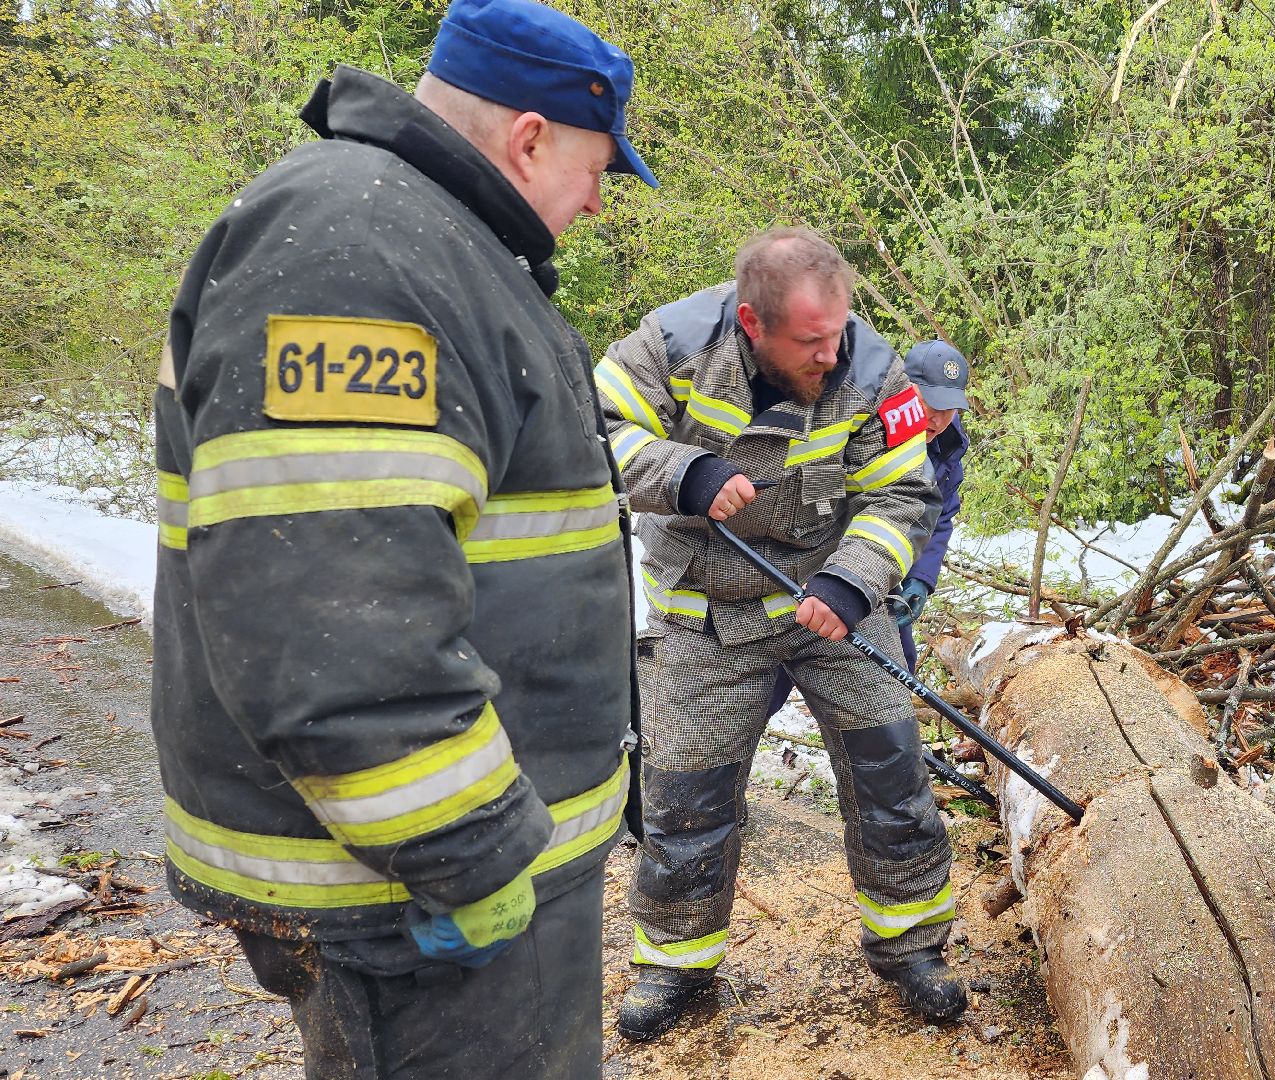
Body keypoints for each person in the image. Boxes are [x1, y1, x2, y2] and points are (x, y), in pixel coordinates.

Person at [150, 1, 651, 1074]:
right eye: (597, 167)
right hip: (411, 894)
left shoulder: (425, 240)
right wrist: (466, 855)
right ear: (528, 137)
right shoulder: (362, 253)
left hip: (442, 865)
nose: (598, 202)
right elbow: (333, 627)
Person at [597, 225, 963, 1042]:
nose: (831, 355)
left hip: (832, 602)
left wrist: (852, 580)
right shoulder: (670, 346)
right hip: (706, 611)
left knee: (891, 773)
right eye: (810, 341)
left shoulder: (874, 370)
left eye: (837, 333)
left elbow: (906, 496)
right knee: (684, 798)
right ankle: (675, 964)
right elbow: (589, 433)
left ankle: (912, 946)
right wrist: (682, 472)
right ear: (753, 325)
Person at [761, 339, 970, 717]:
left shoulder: (948, 450)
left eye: (949, 408)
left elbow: (939, 518)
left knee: (895, 673)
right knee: (767, 687)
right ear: (905, 392)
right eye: (930, 404)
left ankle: (889, 766)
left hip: (880, 581)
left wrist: (920, 577)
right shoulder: (859, 425)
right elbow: (821, 506)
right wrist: (841, 576)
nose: (938, 420)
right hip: (815, 576)